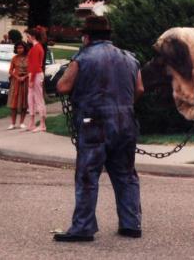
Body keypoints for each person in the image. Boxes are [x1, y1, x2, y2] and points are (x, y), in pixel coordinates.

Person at [54, 15, 144, 242]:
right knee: (126, 174)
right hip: (125, 122)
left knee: (88, 175)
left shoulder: (82, 58)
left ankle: (83, 227)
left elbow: (63, 86)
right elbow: (140, 89)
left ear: (86, 37)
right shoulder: (129, 58)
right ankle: (131, 223)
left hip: (94, 123)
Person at [25, 28, 47, 132]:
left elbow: (35, 65)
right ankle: (32, 122)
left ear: (33, 36)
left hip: (36, 75)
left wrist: (31, 79)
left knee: (38, 98)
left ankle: (42, 124)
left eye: (28, 36)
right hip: (34, 74)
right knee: (31, 99)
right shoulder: (36, 47)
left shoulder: (36, 48)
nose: (27, 39)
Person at [7, 41, 29, 130]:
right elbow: (10, 70)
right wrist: (16, 77)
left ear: (25, 48)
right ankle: (12, 123)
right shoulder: (14, 58)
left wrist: (25, 77)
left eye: (21, 48)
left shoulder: (29, 58)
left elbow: (31, 70)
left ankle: (22, 122)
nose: (20, 49)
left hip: (25, 81)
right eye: (18, 48)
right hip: (15, 82)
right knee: (14, 103)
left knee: (24, 102)